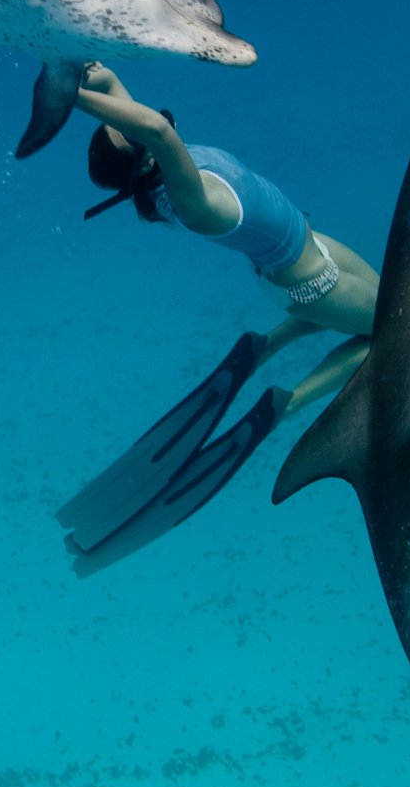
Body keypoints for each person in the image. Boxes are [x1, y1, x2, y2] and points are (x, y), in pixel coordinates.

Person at [56, 62, 379, 572]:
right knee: (387, 332)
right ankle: (288, 402)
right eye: (133, 127)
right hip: (307, 278)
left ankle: (266, 346)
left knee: (382, 298)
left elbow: (129, 106)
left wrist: (84, 72)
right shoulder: (190, 198)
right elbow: (156, 128)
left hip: (301, 250)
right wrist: (72, 100)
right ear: (145, 158)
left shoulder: (157, 172)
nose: (146, 115)